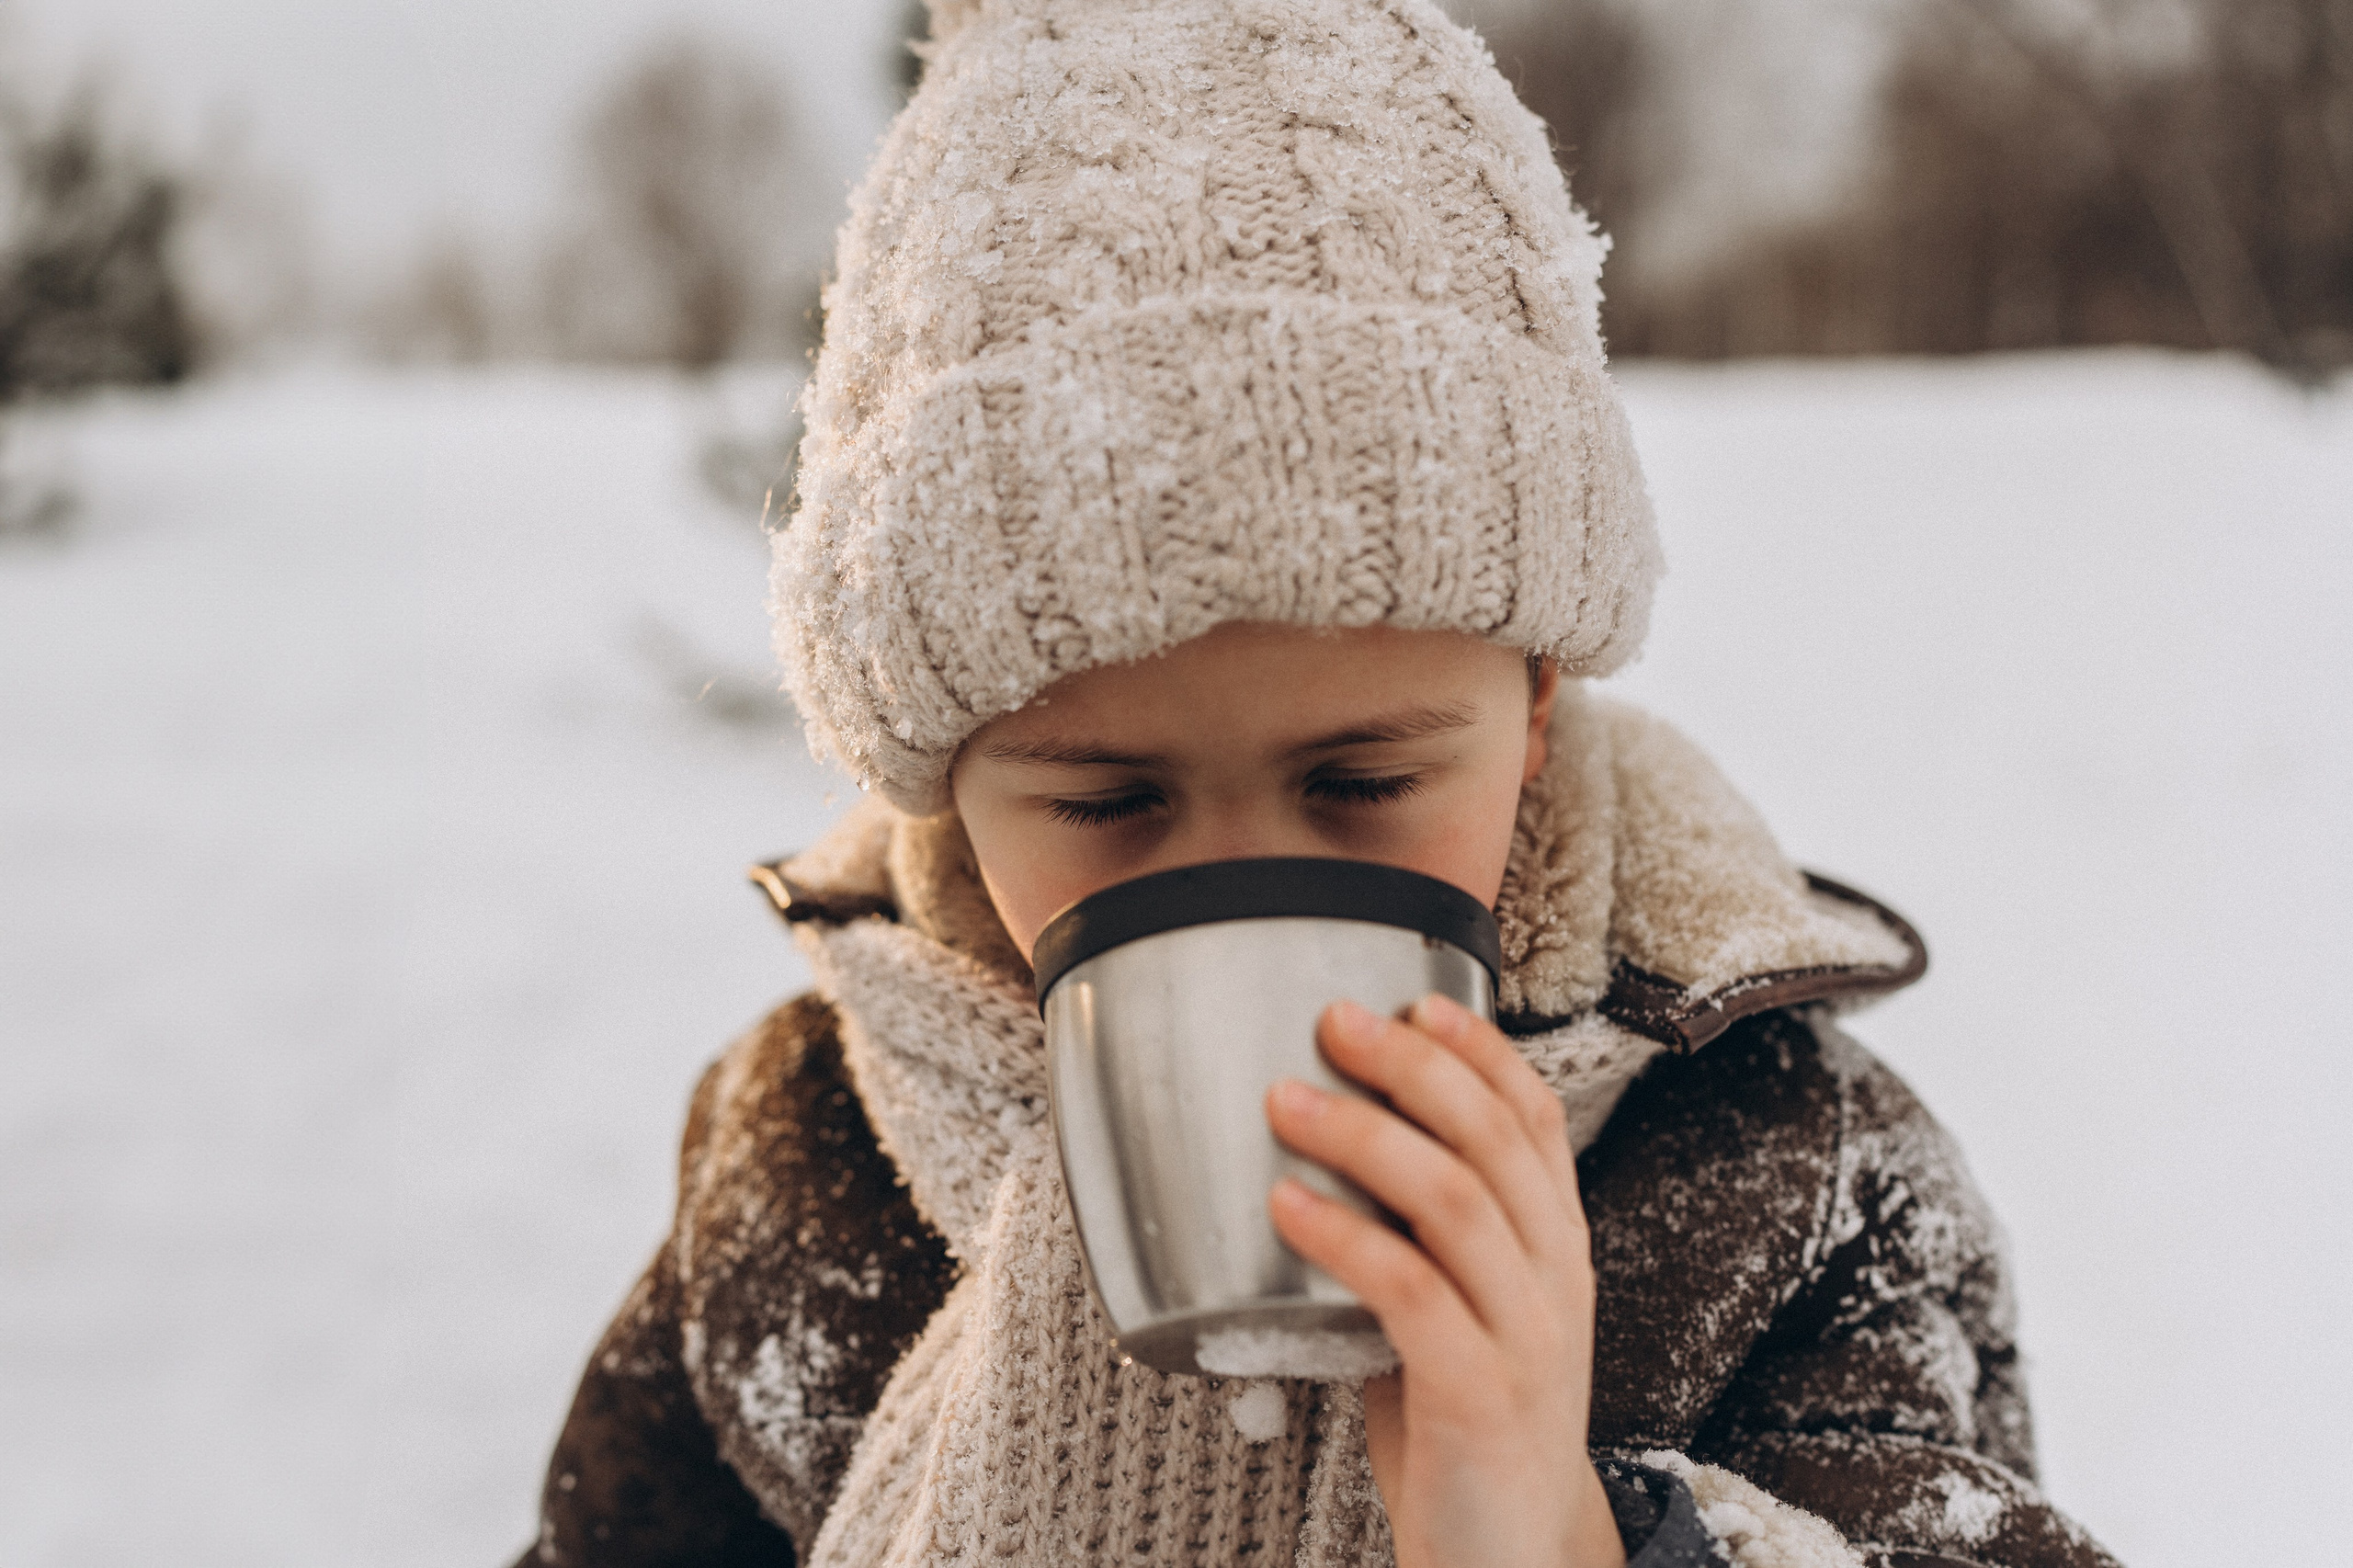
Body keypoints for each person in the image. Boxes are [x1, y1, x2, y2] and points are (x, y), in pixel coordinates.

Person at [517, 3, 2123, 1565]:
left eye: (1360, 782)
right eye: (1104, 800)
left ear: (1538, 701)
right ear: (940, 777)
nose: (1238, 883)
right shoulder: (803, 1156)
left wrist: (1577, 1544)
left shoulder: (1767, 1163)